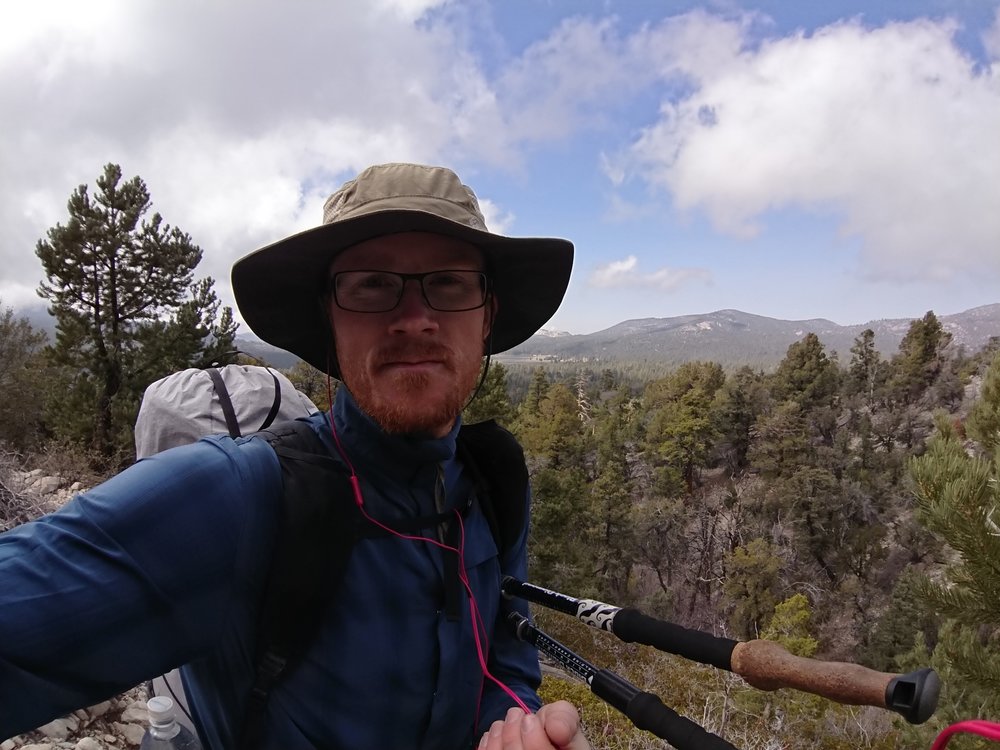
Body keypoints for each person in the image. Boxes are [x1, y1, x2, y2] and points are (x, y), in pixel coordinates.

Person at [0, 162, 590, 750]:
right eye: (372, 285)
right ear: (328, 320)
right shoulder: (241, 495)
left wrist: (518, 728)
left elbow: (506, 659)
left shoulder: (493, 480)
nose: (415, 319)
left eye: (450, 283)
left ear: (486, 316)